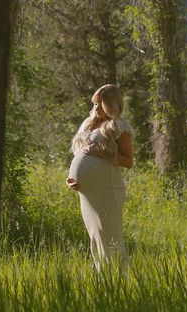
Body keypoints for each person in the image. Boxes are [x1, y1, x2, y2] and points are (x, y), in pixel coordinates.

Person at [66, 84, 134, 270]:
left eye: (100, 104)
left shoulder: (117, 126)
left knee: (111, 240)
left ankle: (120, 282)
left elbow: (128, 161)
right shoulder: (89, 124)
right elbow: (80, 155)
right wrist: (72, 178)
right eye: (94, 104)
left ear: (110, 105)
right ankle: (102, 282)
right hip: (88, 195)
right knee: (96, 240)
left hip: (107, 192)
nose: (95, 108)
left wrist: (104, 153)